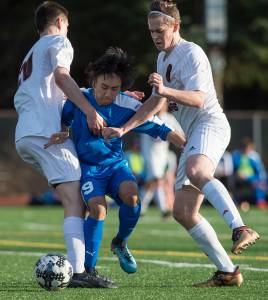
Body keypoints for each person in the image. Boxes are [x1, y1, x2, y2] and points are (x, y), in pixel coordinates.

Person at [103, 0, 260, 287]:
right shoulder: (163, 60)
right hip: (193, 133)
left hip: (209, 123)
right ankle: (228, 272)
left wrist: (165, 90)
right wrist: (124, 128)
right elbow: (154, 103)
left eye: (160, 30)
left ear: (175, 26)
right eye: (151, 31)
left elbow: (199, 99)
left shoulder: (192, 52)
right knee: (183, 212)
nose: (155, 36)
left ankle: (240, 227)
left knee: (198, 169)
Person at [45, 47, 186, 287]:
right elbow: (62, 120)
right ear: (93, 81)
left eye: (115, 89)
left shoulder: (126, 106)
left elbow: (159, 127)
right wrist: (63, 132)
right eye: (103, 87)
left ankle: (120, 241)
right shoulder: (77, 99)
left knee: (133, 198)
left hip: (116, 166)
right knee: (98, 210)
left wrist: (187, 147)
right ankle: (87, 270)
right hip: (89, 169)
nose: (108, 93)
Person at [13, 1, 108, 288]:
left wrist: (92, 101)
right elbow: (62, 77)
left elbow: (57, 91)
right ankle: (79, 272)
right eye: (67, 25)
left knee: (74, 197)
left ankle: (81, 268)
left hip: (28, 135)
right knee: (76, 200)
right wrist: (91, 111)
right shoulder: (59, 40)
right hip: (44, 132)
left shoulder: (32, 52)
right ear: (60, 23)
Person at [140, 101, 182, 218]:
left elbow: (180, 133)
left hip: (162, 155)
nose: (160, 106)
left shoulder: (169, 118)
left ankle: (140, 207)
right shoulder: (148, 116)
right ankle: (163, 209)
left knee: (152, 181)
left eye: (162, 103)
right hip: (149, 154)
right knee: (157, 179)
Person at [232, 137, 267, 209]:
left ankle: (260, 201)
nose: (247, 150)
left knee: (260, 183)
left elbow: (260, 172)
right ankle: (259, 201)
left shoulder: (254, 156)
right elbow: (234, 169)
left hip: (253, 178)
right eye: (245, 148)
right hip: (240, 179)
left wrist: (256, 178)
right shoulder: (236, 155)